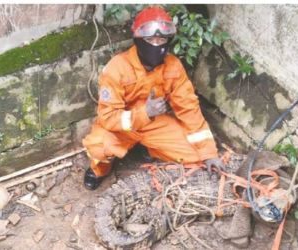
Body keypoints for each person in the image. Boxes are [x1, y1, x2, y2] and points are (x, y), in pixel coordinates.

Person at [82, 6, 224, 190]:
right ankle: (99, 170)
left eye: (162, 39)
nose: (156, 45)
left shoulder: (173, 66)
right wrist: (144, 112)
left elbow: (189, 109)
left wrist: (209, 152)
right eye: (150, 39)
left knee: (194, 155)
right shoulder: (117, 68)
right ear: (138, 40)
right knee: (99, 147)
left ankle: (147, 147)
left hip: (154, 124)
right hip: (121, 126)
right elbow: (108, 117)